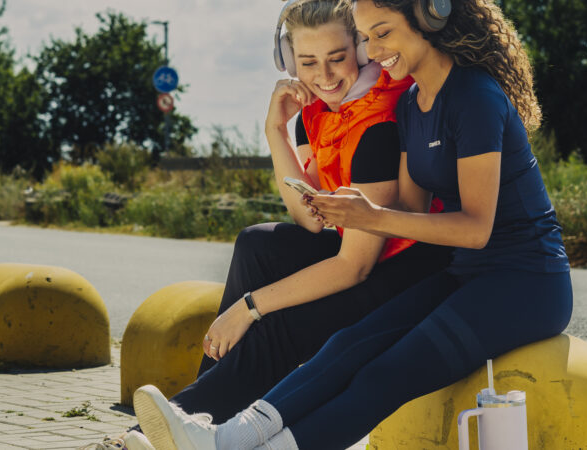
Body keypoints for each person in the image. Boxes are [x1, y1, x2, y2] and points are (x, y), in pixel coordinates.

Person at [129, 0, 573, 449]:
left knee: (386, 373)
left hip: (526, 281)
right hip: (464, 271)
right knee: (346, 347)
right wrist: (353, 213)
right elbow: (414, 216)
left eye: (381, 34)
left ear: (428, 18)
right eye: (365, 38)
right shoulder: (413, 106)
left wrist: (371, 218)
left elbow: (477, 228)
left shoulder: (475, 95)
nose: (373, 51)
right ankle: (219, 438)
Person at [84, 1, 450, 448]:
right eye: (308, 62)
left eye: (337, 58)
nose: (326, 76)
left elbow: (355, 266)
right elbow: (308, 220)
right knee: (257, 244)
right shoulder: (317, 115)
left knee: (270, 329)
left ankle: (165, 432)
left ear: (359, 49)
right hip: (363, 251)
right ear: (287, 62)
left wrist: (248, 308)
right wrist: (275, 130)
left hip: (408, 266)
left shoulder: (378, 124)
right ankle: (197, 419)